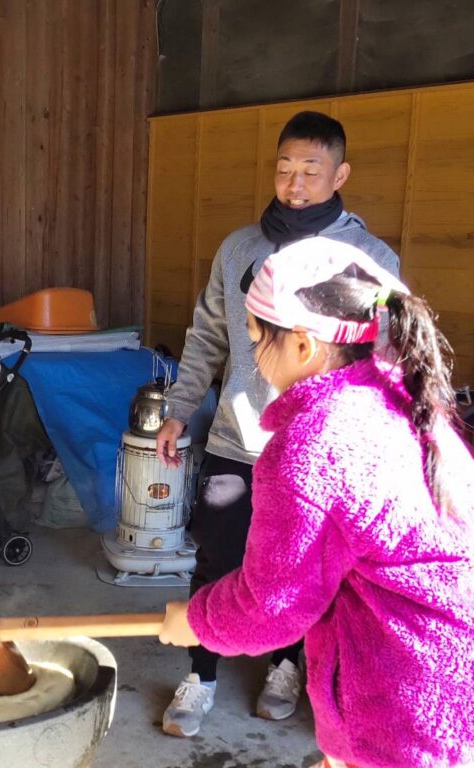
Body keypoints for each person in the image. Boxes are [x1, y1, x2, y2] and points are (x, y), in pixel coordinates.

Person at [159, 238, 474, 768]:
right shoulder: (399, 399)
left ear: (303, 347)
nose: (254, 359)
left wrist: (197, 621)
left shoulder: (313, 446)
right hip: (447, 686)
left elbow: (272, 606)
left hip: (400, 710)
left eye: (256, 341)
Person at [154, 111, 400, 737]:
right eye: (285, 168)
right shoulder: (240, 248)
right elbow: (207, 334)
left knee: (302, 568)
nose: (295, 183)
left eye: (311, 170)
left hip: (321, 450)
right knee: (217, 555)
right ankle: (201, 674)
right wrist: (179, 409)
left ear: (340, 174)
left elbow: (385, 359)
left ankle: (285, 666)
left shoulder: (368, 259)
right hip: (239, 437)